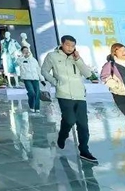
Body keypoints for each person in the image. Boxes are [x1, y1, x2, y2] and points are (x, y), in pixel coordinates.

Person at [41, 35, 98, 164]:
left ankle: (84, 150)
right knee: (70, 119)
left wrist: (78, 60)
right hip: (64, 94)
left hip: (79, 94)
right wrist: (55, 82)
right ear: (62, 44)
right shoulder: (52, 56)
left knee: (83, 125)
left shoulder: (76, 57)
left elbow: (87, 74)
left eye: (72, 46)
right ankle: (63, 135)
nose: (70, 48)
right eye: (67, 45)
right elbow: (44, 71)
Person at [100, 43, 125, 156]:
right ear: (114, 52)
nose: (123, 52)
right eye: (120, 50)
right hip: (122, 96)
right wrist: (118, 86)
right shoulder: (110, 65)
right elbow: (104, 77)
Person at [17, 46, 44, 114]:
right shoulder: (20, 59)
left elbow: (38, 69)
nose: (26, 51)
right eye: (24, 50)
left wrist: (42, 79)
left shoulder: (33, 60)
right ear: (22, 52)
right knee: (31, 92)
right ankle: (32, 106)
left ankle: (37, 108)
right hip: (27, 78)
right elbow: (18, 63)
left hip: (35, 78)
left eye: (27, 50)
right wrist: (22, 57)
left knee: (37, 93)